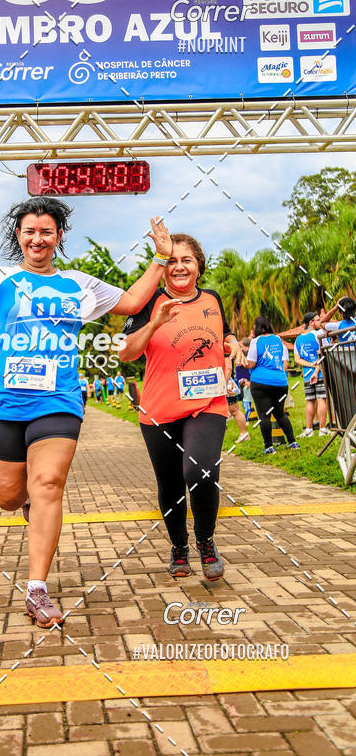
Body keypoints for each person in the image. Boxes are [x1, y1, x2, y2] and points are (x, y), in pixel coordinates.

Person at [0, 200, 175, 627]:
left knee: (49, 483)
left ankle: (37, 590)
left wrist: (161, 258)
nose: (38, 239)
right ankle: (27, 501)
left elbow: (131, 301)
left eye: (46, 232)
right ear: (19, 236)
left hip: (59, 399)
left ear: (58, 237)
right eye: (30, 231)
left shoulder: (79, 284)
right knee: (7, 496)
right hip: (3, 404)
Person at [119, 231, 245, 582]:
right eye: (171, 260)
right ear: (162, 268)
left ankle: (206, 540)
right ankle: (178, 546)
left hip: (207, 402)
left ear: (199, 267)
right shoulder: (146, 302)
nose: (178, 266)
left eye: (186, 260)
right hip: (158, 409)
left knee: (200, 471)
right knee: (171, 483)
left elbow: (225, 333)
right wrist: (155, 323)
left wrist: (232, 342)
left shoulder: (213, 298)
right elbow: (126, 352)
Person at [247, 316, 298, 455]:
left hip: (260, 382)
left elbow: (251, 363)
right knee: (280, 414)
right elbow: (284, 363)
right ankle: (293, 442)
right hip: (280, 382)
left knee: (264, 416)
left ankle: (269, 447)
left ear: (257, 327)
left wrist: (243, 363)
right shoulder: (278, 340)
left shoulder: (255, 342)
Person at [294, 312, 329, 437]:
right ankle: (322, 428)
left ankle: (309, 429)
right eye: (317, 320)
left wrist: (309, 365)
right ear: (311, 322)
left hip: (307, 374)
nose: (320, 322)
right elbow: (325, 352)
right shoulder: (318, 334)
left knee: (309, 400)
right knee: (321, 399)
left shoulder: (298, 338)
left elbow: (297, 359)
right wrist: (316, 367)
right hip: (319, 373)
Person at [225, 357, 249, 441]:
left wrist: (223, 384)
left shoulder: (225, 348)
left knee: (234, 410)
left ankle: (244, 434)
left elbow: (228, 368)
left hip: (227, 384)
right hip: (219, 384)